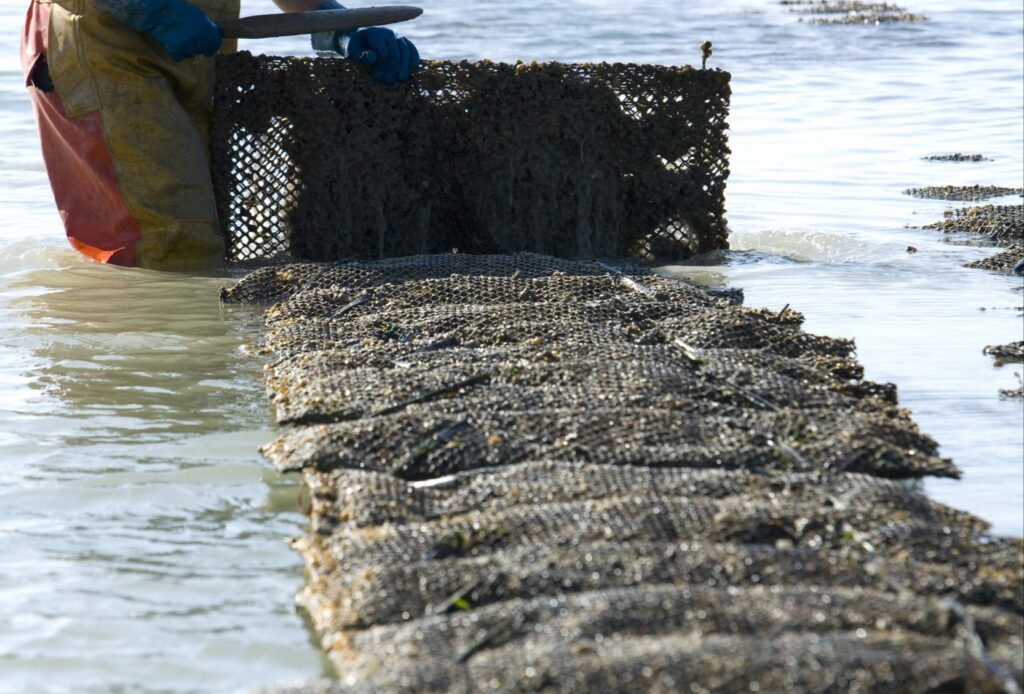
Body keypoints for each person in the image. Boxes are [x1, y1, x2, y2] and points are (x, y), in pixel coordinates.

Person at [21, 0, 419, 271]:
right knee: (170, 242)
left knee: (202, 231)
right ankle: (149, 373)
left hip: (198, 47)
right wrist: (147, 7)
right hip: (102, 44)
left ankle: (206, 366)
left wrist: (340, 28)